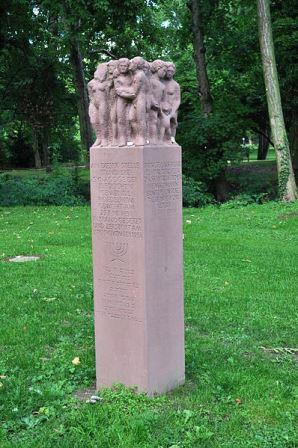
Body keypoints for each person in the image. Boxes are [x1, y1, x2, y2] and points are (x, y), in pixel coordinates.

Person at [114, 58, 135, 146]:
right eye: (121, 66)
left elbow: (135, 89)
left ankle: (130, 137)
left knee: (131, 119)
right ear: (118, 66)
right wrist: (129, 92)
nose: (123, 68)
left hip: (132, 100)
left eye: (125, 66)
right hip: (121, 100)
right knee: (120, 119)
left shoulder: (132, 75)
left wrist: (124, 90)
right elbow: (118, 90)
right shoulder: (116, 76)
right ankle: (122, 139)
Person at [87, 63, 109, 147]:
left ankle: (105, 139)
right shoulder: (90, 83)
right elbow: (90, 94)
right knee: (93, 121)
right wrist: (93, 102)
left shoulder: (107, 82)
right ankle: (99, 138)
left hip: (103, 103)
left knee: (103, 121)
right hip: (94, 104)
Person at [128, 57, 148, 146]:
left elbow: (134, 92)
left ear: (136, 65)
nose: (130, 64)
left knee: (141, 120)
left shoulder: (140, 75)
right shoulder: (136, 75)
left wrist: (121, 92)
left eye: (132, 63)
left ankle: (142, 139)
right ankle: (138, 136)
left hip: (140, 100)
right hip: (136, 101)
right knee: (131, 118)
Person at [163, 62, 181, 144]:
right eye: (168, 71)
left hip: (172, 108)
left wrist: (173, 110)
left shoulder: (176, 85)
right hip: (161, 107)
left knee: (173, 123)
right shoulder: (160, 82)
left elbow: (177, 100)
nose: (169, 73)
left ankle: (172, 139)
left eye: (171, 71)